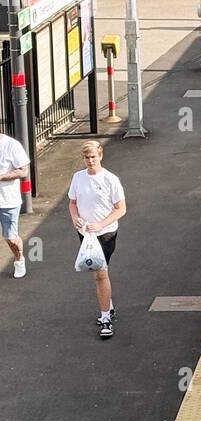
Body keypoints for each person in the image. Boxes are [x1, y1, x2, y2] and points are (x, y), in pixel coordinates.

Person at [68, 141, 125, 338]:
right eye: (86, 157)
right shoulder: (78, 178)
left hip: (106, 233)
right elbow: (73, 203)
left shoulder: (111, 180)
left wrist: (100, 225)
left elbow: (121, 209)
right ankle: (108, 305)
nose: (90, 161)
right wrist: (76, 219)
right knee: (95, 270)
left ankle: (105, 318)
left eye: (93, 157)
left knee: (101, 273)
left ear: (100, 156)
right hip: (85, 234)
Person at [0, 131, 30, 279]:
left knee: (10, 237)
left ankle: (19, 259)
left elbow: (23, 171)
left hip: (7, 201)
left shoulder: (11, 145)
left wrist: (1, 177)